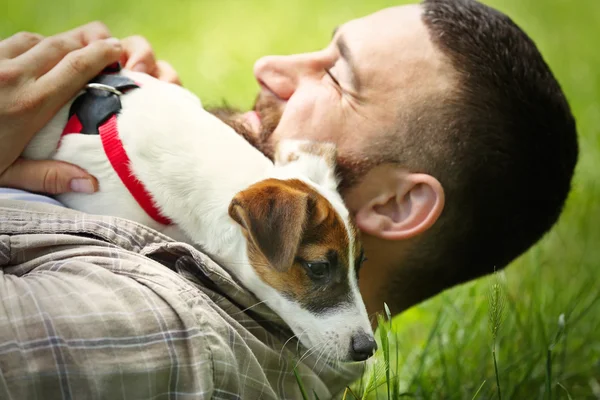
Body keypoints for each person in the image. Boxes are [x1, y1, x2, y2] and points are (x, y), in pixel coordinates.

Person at [0, 0, 578, 398]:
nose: (269, 68)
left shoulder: (154, 331)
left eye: (335, 77)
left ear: (396, 205)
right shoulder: (193, 232)